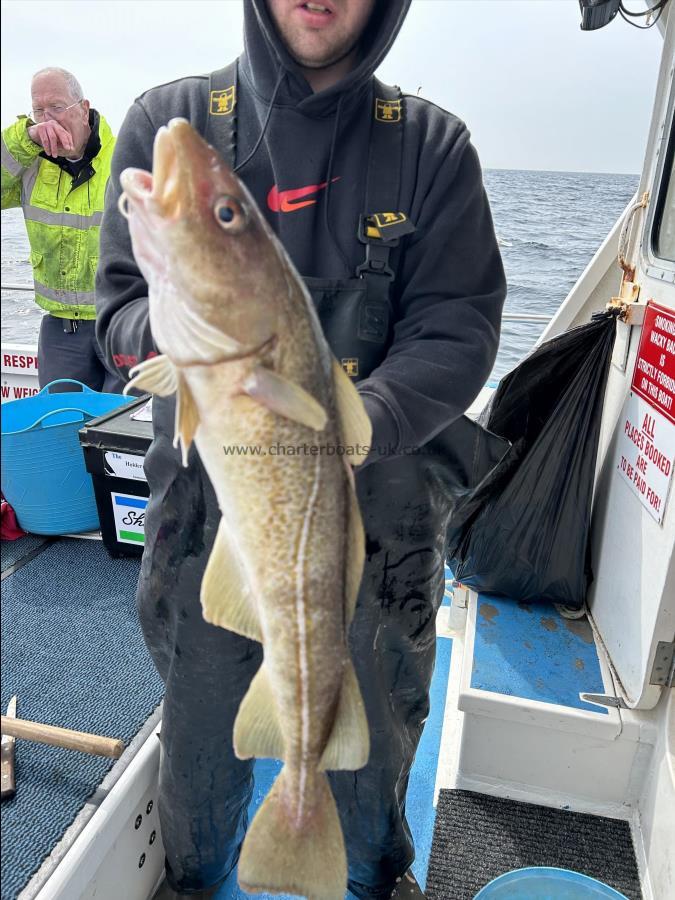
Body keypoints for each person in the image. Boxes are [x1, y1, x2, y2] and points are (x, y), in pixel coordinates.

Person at [96, 1, 506, 897]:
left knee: (370, 741)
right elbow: (116, 309)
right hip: (204, 514)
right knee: (201, 735)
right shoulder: (175, 118)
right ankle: (198, 877)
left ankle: (361, 877)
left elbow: (460, 328)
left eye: (228, 217)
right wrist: (174, 337)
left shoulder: (432, 148)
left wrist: (361, 420)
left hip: (381, 517)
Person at [1, 67, 119, 392]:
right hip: (61, 330)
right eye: (38, 111)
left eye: (56, 107)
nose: (47, 120)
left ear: (83, 108)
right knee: (60, 429)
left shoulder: (127, 157)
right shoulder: (30, 164)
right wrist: (23, 138)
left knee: (126, 431)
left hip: (123, 323)